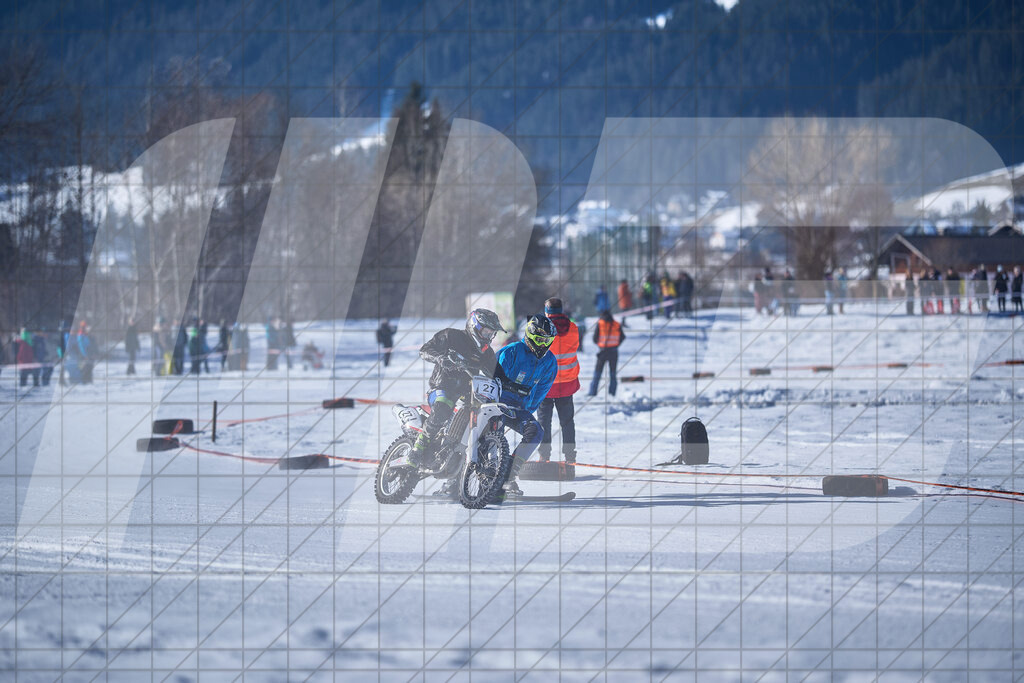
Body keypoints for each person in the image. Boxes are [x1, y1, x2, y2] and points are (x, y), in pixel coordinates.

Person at [410, 309, 507, 485]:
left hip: (468, 394)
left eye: (492, 333)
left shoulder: (487, 353)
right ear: (474, 326)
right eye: (486, 331)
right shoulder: (451, 336)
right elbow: (425, 350)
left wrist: (516, 386)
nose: (489, 336)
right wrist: (441, 358)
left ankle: (458, 476)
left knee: (481, 420)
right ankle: (417, 449)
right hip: (442, 388)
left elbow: (498, 375)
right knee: (443, 407)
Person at [496, 315, 558, 498]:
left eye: (548, 341)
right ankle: (464, 478)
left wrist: (525, 413)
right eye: (540, 340)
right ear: (530, 335)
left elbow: (540, 392)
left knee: (536, 431)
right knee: (494, 438)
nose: (543, 345)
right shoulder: (511, 352)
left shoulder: (550, 362)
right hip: (494, 402)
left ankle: (507, 476)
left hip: (518, 408)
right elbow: (490, 376)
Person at [537, 298, 580, 465]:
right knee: (567, 421)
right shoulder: (574, 328)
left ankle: (544, 456)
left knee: (543, 422)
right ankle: (570, 457)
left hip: (546, 384)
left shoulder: (541, 329)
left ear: (547, 311)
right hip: (567, 382)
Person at [588, 309, 625, 397]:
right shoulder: (616, 324)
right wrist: (616, 344)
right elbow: (622, 337)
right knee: (612, 374)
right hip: (614, 351)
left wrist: (600, 344)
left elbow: (594, 338)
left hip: (603, 351)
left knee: (597, 373)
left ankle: (592, 393)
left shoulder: (600, 323)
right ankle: (612, 393)